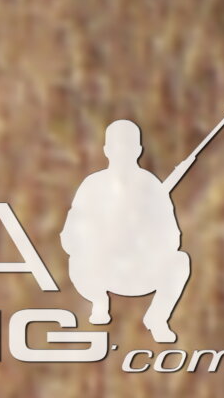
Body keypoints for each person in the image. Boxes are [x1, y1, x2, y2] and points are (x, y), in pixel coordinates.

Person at [65, 119, 194, 344]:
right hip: (102, 269)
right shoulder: (92, 186)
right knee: (77, 260)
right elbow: (71, 234)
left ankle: (158, 318)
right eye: (116, 146)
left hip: (141, 269)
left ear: (138, 150)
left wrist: (144, 236)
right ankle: (99, 302)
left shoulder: (152, 187)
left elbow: (172, 237)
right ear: (106, 150)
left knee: (180, 262)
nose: (122, 152)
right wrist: (99, 240)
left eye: (128, 146)